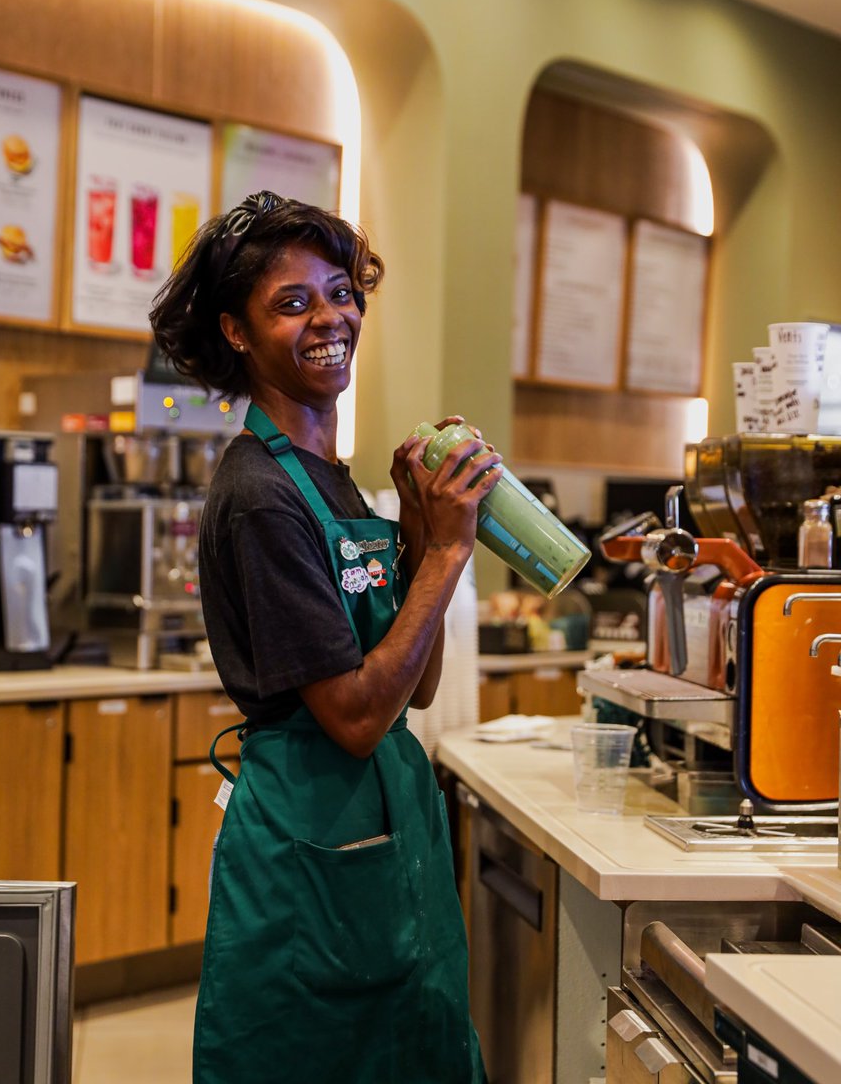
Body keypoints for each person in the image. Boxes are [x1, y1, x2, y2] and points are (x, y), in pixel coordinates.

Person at [150, 191, 502, 1084]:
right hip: (312, 842)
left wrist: (422, 528)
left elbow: (408, 692)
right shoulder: (261, 495)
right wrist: (450, 555)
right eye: (292, 301)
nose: (330, 317)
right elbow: (350, 716)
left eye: (340, 291)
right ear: (236, 331)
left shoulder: (333, 483)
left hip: (385, 832)